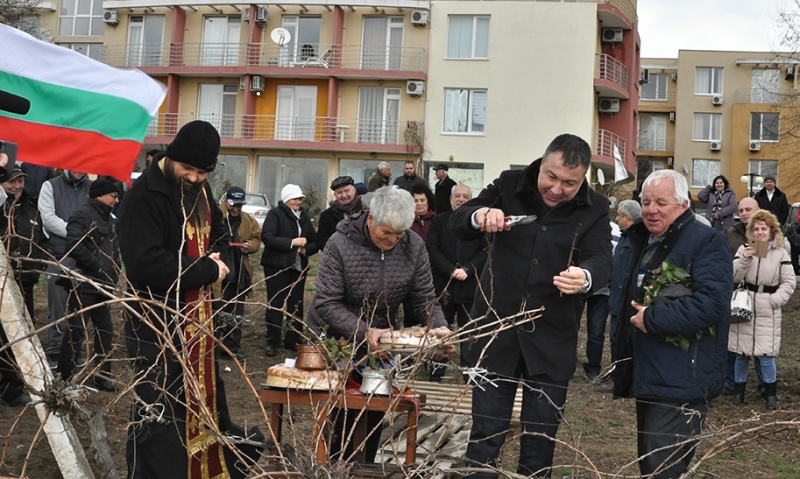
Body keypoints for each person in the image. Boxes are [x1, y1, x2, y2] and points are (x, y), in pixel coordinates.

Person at [449, 133, 613, 478]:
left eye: (570, 183)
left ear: (583, 178)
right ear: (541, 163)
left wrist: (584, 276)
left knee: (540, 443)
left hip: (552, 339)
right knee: (485, 438)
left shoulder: (596, 207)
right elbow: (459, 220)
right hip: (495, 334)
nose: (557, 189)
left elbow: (601, 258)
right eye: (551, 177)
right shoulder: (509, 184)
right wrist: (480, 215)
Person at [119, 120, 246, 479]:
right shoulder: (144, 196)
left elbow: (221, 232)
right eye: (187, 169)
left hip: (199, 318)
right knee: (162, 408)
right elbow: (145, 263)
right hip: (156, 322)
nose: (192, 178)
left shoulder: (200, 191)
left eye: (201, 172)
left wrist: (219, 260)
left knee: (205, 400)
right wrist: (207, 270)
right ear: (171, 157)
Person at [306, 185, 453, 463]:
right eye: (387, 233)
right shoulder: (339, 244)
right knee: (340, 410)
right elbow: (326, 303)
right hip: (334, 336)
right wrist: (364, 331)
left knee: (373, 407)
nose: (394, 240)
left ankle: (362, 465)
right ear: (371, 218)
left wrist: (439, 328)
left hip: (381, 338)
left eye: (400, 234)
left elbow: (424, 297)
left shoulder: (413, 245)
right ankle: (332, 466)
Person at [609, 170, 732, 479]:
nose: (651, 209)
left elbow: (712, 304)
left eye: (661, 202)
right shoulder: (637, 238)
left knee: (661, 469)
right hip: (647, 369)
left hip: (683, 375)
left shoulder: (706, 242)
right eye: (646, 201)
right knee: (651, 463)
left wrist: (653, 318)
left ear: (682, 205)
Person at [57, 177, 120, 391]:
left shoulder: (110, 221)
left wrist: (114, 272)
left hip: (104, 286)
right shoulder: (82, 215)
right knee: (76, 331)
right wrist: (98, 268)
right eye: (113, 195)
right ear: (99, 195)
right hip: (83, 284)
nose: (116, 199)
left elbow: (114, 251)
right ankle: (66, 376)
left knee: (105, 330)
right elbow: (74, 245)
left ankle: (103, 374)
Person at [729, 210, 795, 410]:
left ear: (771, 230)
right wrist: (744, 259)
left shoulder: (781, 253)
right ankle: (738, 392)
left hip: (768, 308)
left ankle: (770, 394)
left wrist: (775, 300)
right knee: (741, 353)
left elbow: (789, 282)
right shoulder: (744, 249)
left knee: (766, 355)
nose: (759, 233)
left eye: (763, 229)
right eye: (756, 229)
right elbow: (733, 277)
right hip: (745, 305)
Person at [426, 184, 487, 381]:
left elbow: (486, 251)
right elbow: (432, 248)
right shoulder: (439, 221)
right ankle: (436, 373)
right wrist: (451, 270)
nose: (461, 199)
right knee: (440, 334)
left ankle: (470, 375)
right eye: (457, 196)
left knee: (471, 335)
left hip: (470, 288)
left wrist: (467, 269)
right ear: (451, 199)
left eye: (466, 196)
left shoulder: (479, 224)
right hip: (443, 286)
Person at [38, 169, 91, 365]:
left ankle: (76, 349)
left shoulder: (91, 188)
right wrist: (76, 232)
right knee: (58, 304)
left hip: (85, 256)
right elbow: (49, 219)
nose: (79, 169)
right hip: (59, 254)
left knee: (81, 305)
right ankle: (56, 350)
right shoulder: (50, 186)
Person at [260, 183, 319, 356]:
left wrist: (305, 249)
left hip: (298, 267)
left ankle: (293, 339)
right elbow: (268, 237)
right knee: (276, 303)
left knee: (296, 304)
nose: (299, 202)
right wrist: (292, 243)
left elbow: (314, 241)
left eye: (300, 198)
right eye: (295, 198)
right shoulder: (275, 214)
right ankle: (272, 341)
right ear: (286, 200)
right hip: (276, 266)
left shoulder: (304, 217)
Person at [214, 186, 262, 361]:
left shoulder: (248, 220)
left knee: (236, 312)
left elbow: (257, 239)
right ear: (226, 200)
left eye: (239, 205)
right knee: (215, 310)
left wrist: (250, 245)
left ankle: (230, 349)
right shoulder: (215, 216)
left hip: (240, 272)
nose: (235, 209)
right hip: (218, 274)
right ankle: (211, 346)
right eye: (233, 204)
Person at [1, 166, 46, 322]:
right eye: (11, 181)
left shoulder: (32, 210)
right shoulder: (2, 209)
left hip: (26, 280)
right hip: (3, 283)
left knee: (26, 324)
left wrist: (38, 267)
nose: (17, 186)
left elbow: (43, 242)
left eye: (20, 181)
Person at [317, 176, 363, 251]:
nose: (344, 195)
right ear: (335, 195)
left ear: (354, 191)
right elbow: (321, 241)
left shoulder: (365, 210)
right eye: (339, 192)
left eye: (347, 190)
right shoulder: (327, 215)